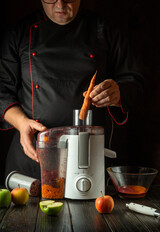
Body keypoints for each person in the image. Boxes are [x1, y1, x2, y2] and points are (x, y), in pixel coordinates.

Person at [0, 0, 144, 180]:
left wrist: (117, 93)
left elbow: (135, 83)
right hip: (33, 157)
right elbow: (2, 91)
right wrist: (21, 123)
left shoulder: (104, 29)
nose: (60, 4)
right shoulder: (19, 32)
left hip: (89, 157)